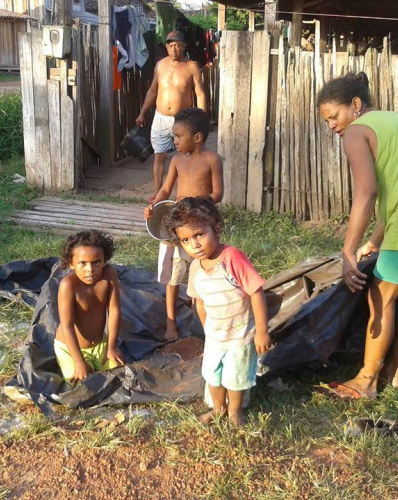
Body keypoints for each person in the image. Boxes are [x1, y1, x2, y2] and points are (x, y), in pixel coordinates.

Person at [317, 72, 398, 399]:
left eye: (333, 117)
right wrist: (376, 239)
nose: (332, 126)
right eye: (326, 121)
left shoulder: (356, 132)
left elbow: (367, 192)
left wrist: (349, 250)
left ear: (355, 105)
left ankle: (367, 381)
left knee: (379, 300)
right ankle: (393, 373)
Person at [164, 196, 271, 425]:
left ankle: (234, 411)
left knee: (235, 378)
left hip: (240, 335)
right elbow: (199, 302)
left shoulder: (232, 257)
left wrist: (261, 331)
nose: (194, 244)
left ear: (217, 229)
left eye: (199, 234)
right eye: (185, 240)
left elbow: (256, 292)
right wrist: (207, 332)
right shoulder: (195, 267)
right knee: (212, 374)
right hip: (215, 336)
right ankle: (218, 409)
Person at [144, 107, 223, 341]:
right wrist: (154, 204)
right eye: (174, 136)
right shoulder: (176, 160)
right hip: (178, 226)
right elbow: (167, 188)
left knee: (204, 269)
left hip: (201, 224)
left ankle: (201, 318)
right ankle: (171, 323)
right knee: (173, 275)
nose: (175, 141)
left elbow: (217, 193)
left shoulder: (212, 160)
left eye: (179, 136)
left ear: (197, 137)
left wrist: (195, 205)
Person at [135, 30, 207, 201]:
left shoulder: (191, 66)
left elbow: (200, 94)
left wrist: (201, 119)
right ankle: (159, 194)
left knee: (186, 157)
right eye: (170, 45)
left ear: (184, 47)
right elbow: (153, 91)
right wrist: (142, 112)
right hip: (160, 118)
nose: (174, 49)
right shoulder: (160, 65)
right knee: (159, 156)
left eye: (177, 45)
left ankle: (185, 194)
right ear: (166, 46)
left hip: (183, 120)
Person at [54, 230, 125, 386]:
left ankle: (98, 361)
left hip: (100, 345)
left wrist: (111, 347)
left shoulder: (109, 275)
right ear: (71, 263)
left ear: (105, 260)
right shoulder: (68, 285)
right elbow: (67, 325)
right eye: (82, 263)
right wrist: (79, 361)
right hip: (72, 348)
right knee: (83, 384)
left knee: (120, 374)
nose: (90, 269)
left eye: (96, 262)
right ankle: (81, 364)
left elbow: (114, 311)